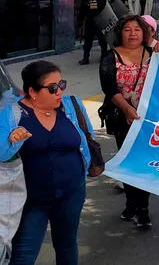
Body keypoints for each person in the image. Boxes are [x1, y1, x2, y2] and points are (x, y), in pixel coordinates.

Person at [0, 61, 92, 265]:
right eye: (52, 88)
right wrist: (12, 140)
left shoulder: (72, 105)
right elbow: (2, 155)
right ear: (32, 91)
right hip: (31, 200)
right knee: (23, 253)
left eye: (62, 84)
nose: (59, 91)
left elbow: (86, 139)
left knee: (67, 245)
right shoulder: (12, 114)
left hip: (71, 192)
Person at [99, 15, 154, 228]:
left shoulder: (154, 54)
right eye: (127, 29)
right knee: (130, 162)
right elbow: (110, 88)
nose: (132, 34)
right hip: (122, 118)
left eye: (137, 29)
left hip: (148, 119)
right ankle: (132, 203)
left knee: (144, 162)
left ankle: (143, 209)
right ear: (120, 33)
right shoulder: (110, 57)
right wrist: (128, 109)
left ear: (144, 33)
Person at [78, 0, 108, 65]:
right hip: (90, 22)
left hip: (101, 22)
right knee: (87, 41)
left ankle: (103, 58)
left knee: (102, 41)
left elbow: (105, 9)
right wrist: (80, 22)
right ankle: (85, 58)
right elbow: (82, 11)